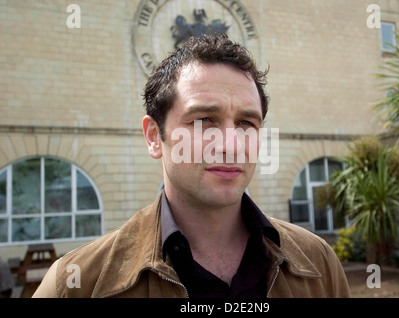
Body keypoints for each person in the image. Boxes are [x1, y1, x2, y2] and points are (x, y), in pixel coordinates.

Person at [33, 33, 351, 298]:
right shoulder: (76, 284)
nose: (230, 144)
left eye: (246, 123)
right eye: (203, 121)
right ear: (154, 136)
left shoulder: (319, 264)